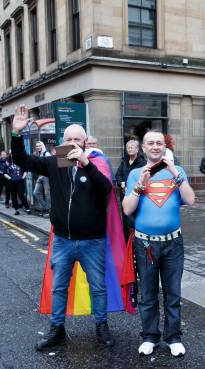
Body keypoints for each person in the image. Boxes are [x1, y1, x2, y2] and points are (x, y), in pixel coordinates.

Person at [10, 104, 119, 351]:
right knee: (59, 287)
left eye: (77, 139)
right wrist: (17, 134)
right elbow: (22, 160)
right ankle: (56, 329)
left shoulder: (96, 163)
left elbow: (106, 190)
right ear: (62, 141)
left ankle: (102, 326)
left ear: (85, 142)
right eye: (68, 139)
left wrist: (85, 163)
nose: (72, 142)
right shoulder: (56, 162)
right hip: (63, 240)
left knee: (98, 287)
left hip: (92, 241)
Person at [122, 130, 195, 357]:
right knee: (148, 293)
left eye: (159, 143)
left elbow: (191, 199)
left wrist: (174, 172)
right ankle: (150, 336)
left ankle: (173, 337)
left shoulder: (178, 171)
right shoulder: (135, 173)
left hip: (173, 243)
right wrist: (140, 185)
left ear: (165, 147)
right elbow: (127, 208)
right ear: (143, 148)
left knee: (173, 293)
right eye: (150, 143)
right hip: (145, 245)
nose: (155, 146)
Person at [116, 138, 147, 238]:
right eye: (128, 148)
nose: (129, 150)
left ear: (137, 149)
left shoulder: (143, 163)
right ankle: (127, 242)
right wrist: (121, 183)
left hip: (137, 194)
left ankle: (138, 239)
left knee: (136, 217)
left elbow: (144, 179)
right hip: (124, 194)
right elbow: (118, 175)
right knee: (126, 217)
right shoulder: (124, 161)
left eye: (132, 148)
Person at [32, 141, 51, 217]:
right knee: (36, 192)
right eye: (37, 146)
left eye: (39, 146)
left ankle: (49, 210)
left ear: (42, 146)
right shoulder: (38, 154)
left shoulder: (47, 154)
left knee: (47, 193)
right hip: (40, 175)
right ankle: (45, 207)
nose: (38, 147)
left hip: (46, 176)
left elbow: (50, 165)